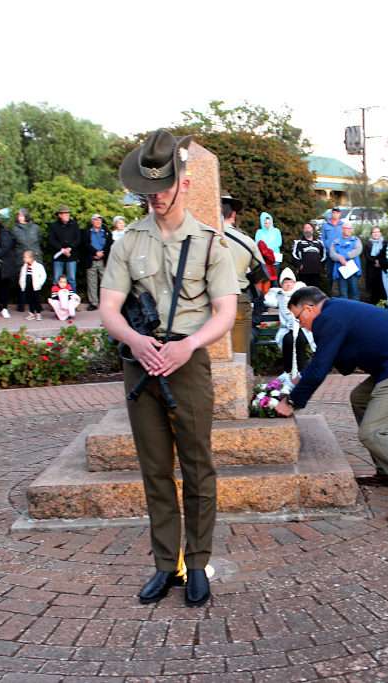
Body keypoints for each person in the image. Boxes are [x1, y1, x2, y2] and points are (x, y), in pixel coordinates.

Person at [99, 130, 238, 607]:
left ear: (184, 181)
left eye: (162, 187)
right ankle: (166, 565)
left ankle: (197, 562)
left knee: (198, 468)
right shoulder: (128, 241)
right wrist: (136, 341)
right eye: (147, 189)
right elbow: (110, 307)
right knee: (155, 470)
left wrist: (190, 345)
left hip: (186, 362)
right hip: (141, 367)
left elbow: (226, 311)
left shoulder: (207, 243)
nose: (155, 197)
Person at [274, 287, 388, 522]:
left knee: (374, 433)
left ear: (309, 308)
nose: (301, 324)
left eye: (299, 317)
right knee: (360, 398)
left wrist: (292, 401)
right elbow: (330, 358)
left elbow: (322, 363)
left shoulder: (329, 317)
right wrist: (301, 378)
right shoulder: (337, 311)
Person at [220, 194, 267, 365]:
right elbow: (261, 274)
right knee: (239, 357)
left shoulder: (201, 238)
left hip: (207, 302)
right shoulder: (246, 241)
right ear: (233, 214)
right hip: (238, 298)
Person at [264, 268, 314, 374]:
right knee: (288, 340)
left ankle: (301, 370)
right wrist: (275, 291)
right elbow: (269, 301)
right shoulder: (279, 295)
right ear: (281, 284)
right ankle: (288, 371)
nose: (288, 285)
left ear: (294, 282)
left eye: (290, 282)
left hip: (302, 327)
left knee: (299, 340)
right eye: (285, 282)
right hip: (287, 328)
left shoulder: (301, 294)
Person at [12, 209, 42, 311]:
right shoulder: (15, 229)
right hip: (21, 257)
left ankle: (37, 304)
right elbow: (14, 243)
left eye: (22, 215)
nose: (20, 217)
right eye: (18, 215)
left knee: (36, 280)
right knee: (22, 281)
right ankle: (21, 304)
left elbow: (39, 239)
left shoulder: (35, 227)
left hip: (35, 256)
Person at [49, 206, 82, 292]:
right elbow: (51, 240)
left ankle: (72, 299)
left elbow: (78, 239)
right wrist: (62, 249)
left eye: (68, 213)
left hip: (71, 255)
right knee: (57, 278)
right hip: (59, 256)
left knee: (71, 279)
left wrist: (70, 248)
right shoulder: (54, 226)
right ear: (60, 215)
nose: (67, 215)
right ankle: (56, 299)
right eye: (65, 213)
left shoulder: (74, 224)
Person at [84, 213, 112, 311]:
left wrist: (103, 252)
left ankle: (107, 302)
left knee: (105, 282)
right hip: (91, 259)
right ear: (92, 221)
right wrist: (95, 252)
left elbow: (109, 244)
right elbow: (85, 244)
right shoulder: (87, 232)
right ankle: (93, 303)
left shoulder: (106, 232)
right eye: (96, 220)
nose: (98, 222)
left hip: (103, 260)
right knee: (92, 282)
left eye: (99, 220)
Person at [329, 222, 362, 300]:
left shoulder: (356, 240)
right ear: (342, 229)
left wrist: (345, 256)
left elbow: (358, 250)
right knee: (343, 294)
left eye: (349, 228)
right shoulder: (335, 241)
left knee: (354, 293)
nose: (347, 230)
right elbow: (332, 253)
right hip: (341, 272)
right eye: (345, 228)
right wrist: (339, 258)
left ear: (351, 230)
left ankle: (355, 311)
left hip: (353, 271)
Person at [292, 222, 325, 290]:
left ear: (312, 230)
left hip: (316, 272)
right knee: (304, 291)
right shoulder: (298, 242)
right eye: (305, 228)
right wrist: (299, 265)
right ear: (303, 230)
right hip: (304, 272)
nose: (307, 230)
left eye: (309, 228)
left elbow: (324, 255)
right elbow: (294, 255)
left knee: (315, 290)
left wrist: (320, 266)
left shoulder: (319, 243)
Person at [322, 207, 344, 295]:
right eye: (334, 213)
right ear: (332, 213)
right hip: (329, 254)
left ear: (340, 214)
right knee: (329, 275)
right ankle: (329, 294)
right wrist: (327, 247)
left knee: (341, 274)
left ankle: (341, 294)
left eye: (337, 213)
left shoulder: (343, 225)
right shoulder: (325, 225)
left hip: (340, 255)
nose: (335, 214)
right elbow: (323, 238)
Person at [19, 250, 47, 320]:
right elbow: (22, 276)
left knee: (36, 300)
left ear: (31, 258)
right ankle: (31, 313)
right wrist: (21, 284)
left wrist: (40, 284)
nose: (24, 259)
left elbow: (43, 276)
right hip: (27, 286)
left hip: (35, 287)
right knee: (30, 300)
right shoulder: (24, 267)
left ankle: (38, 313)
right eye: (24, 257)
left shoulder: (38, 266)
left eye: (26, 257)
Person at [363, 226, 387, 304]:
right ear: (371, 234)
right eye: (374, 232)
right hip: (372, 269)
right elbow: (367, 256)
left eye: (378, 232)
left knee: (383, 288)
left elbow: (386, 255)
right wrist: (375, 262)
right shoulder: (368, 244)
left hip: (383, 268)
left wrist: (380, 262)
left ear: (380, 233)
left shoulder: (385, 243)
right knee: (374, 290)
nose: (376, 234)